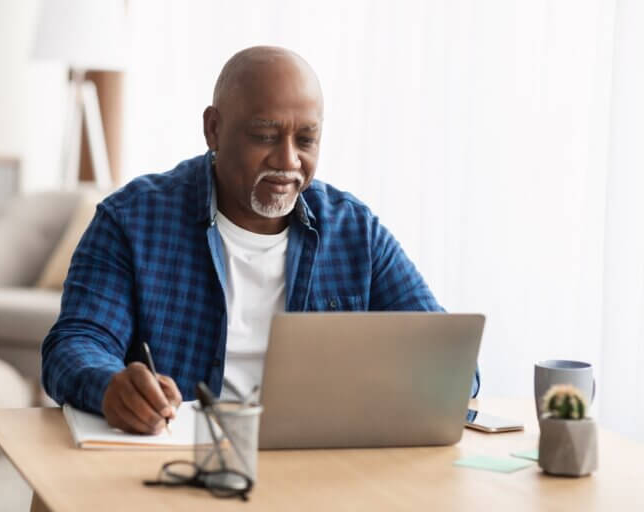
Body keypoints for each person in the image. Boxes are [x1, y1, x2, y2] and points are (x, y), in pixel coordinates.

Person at [41, 46, 480, 435]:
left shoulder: (356, 233)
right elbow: (75, 343)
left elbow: (453, 367)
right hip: (180, 460)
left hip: (318, 465)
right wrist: (109, 387)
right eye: (265, 136)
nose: (289, 160)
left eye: (306, 139)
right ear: (213, 129)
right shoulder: (132, 220)